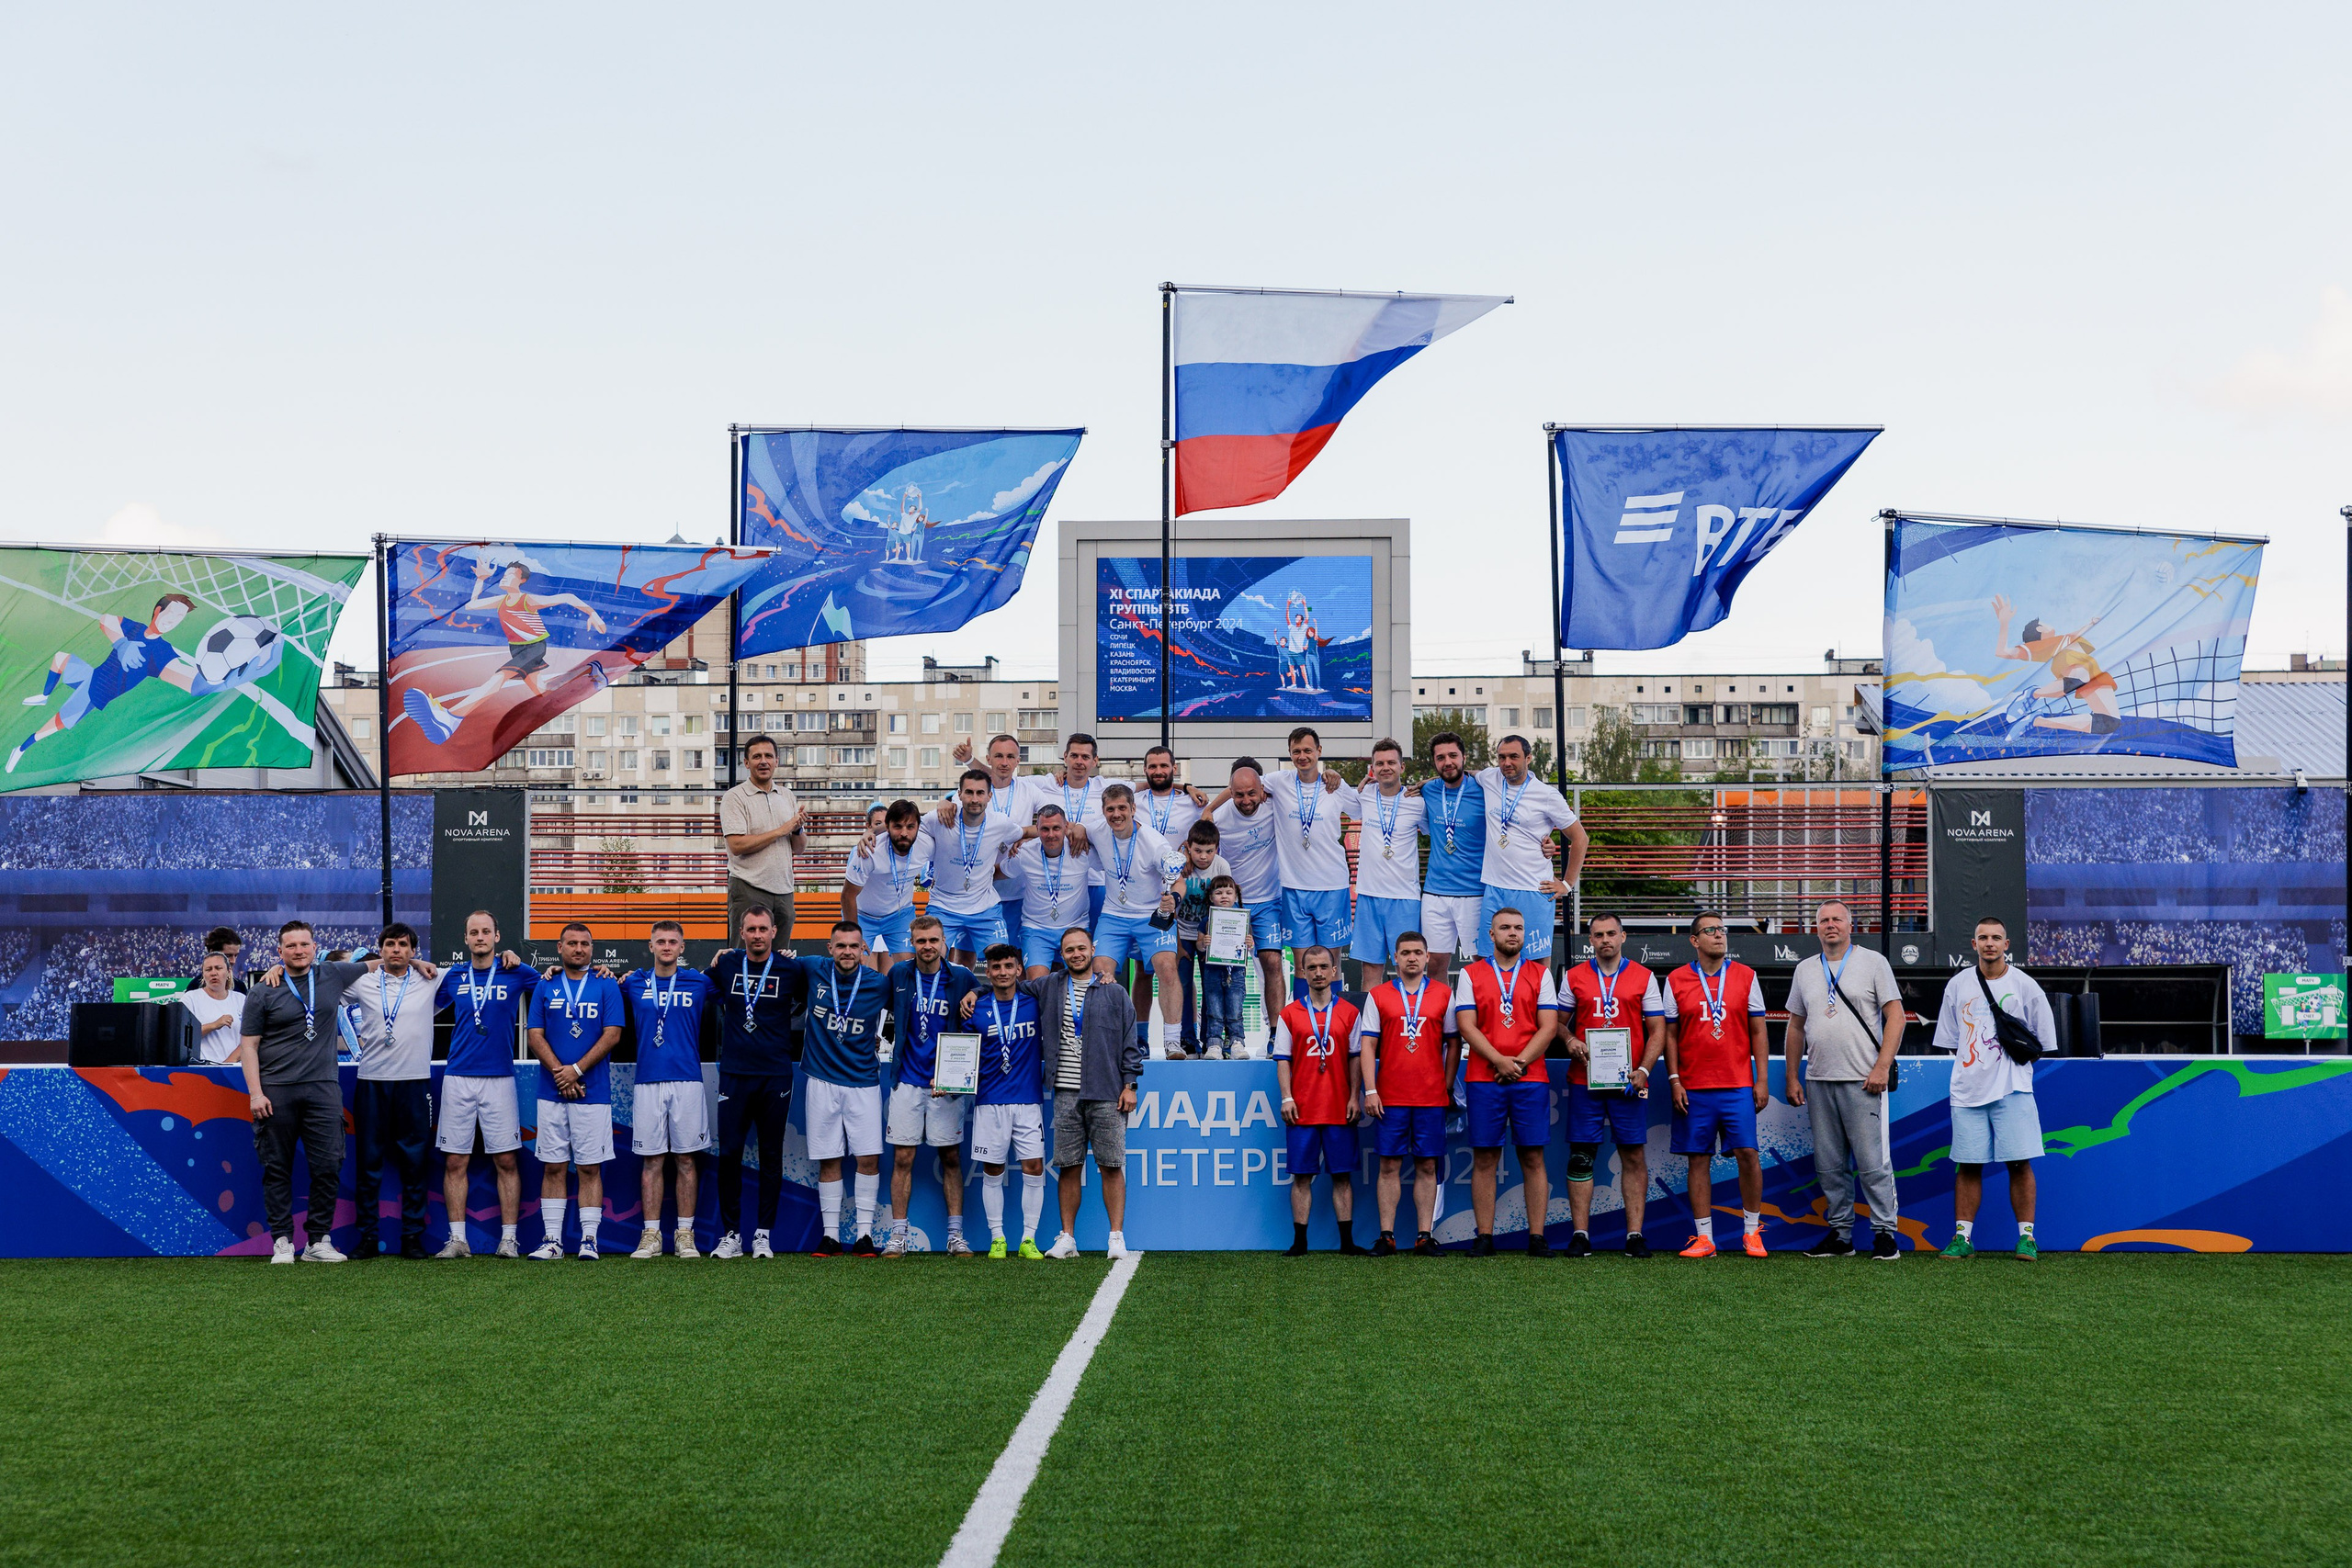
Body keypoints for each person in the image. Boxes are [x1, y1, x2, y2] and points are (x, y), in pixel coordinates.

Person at [972, 926, 1141, 1260]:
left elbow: (1130, 1042)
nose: (1076, 954)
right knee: (1068, 1166)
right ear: (1061, 955)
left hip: (1107, 1091)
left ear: (1093, 949)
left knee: (1111, 1165)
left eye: (1081, 948)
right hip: (1065, 1092)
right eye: (1069, 950)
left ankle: (1116, 1237)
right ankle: (1067, 1237)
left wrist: (1130, 1084)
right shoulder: (1049, 985)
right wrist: (974, 994)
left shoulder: (1115, 991)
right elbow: (1005, 985)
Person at [1785, 900, 1909, 1261]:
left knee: (1872, 1163)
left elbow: (1896, 1017)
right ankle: (1841, 1236)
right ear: (1816, 927)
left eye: (1837, 919)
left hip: (1863, 1079)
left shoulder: (1873, 963)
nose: (1830, 925)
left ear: (1850, 925)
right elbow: (1795, 1026)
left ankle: (1885, 1233)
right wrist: (1793, 1075)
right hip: (1819, 1079)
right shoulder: (1805, 969)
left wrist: (1882, 1067)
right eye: (1823, 920)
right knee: (1829, 1164)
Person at [237, 920, 367, 1263]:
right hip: (275, 1091)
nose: (298, 951)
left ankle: (317, 1242)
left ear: (314, 947)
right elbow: (248, 1046)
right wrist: (255, 1094)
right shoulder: (263, 990)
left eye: (304, 944)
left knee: (327, 1166)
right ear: (279, 951)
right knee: (276, 1168)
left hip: (322, 1090)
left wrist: (417, 963)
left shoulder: (333, 974)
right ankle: (281, 1240)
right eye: (290, 946)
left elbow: (381, 961)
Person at [1933, 916, 2055, 1261]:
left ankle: (2027, 1239)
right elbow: (1951, 1040)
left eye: (1996, 938)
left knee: (2019, 1164)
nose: (1989, 943)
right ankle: (1962, 1239)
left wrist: (2009, 1073)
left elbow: (2042, 1042)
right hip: (1967, 1092)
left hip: (2013, 1090)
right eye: (1983, 938)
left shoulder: (2025, 985)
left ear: (2007, 944)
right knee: (1968, 1165)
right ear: (1974, 945)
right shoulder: (1957, 986)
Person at [1663, 913, 1770, 1259]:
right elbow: (1670, 1035)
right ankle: (1704, 1238)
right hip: (1694, 1085)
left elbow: (1758, 1032)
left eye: (1722, 930)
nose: (1719, 935)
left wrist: (1762, 1079)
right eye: (1710, 931)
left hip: (1737, 1083)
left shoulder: (1746, 976)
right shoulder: (1676, 979)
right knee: (1698, 1159)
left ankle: (1752, 1231)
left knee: (1748, 1155)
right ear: (1694, 941)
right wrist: (1674, 1079)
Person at [1559, 912, 1667, 1258]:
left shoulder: (1644, 977)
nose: (1605, 940)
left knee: (1633, 1155)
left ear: (1623, 936)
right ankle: (1580, 1235)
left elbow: (1658, 1031)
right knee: (1580, 1157)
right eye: (1598, 935)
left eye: (1611, 933)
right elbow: (1556, 1024)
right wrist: (1571, 1039)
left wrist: (1646, 1070)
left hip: (1629, 1082)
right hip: (1584, 1079)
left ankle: (1634, 1235)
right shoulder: (1574, 976)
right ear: (1589, 940)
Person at [1454, 908, 1560, 1257]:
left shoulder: (1540, 974)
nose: (1512, 933)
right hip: (1485, 1077)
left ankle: (1537, 1237)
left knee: (1533, 1157)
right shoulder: (1470, 974)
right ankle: (1484, 1236)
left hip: (1531, 1077)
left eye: (1518, 927)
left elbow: (1549, 1026)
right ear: (1491, 934)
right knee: (1485, 1158)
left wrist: (1519, 1062)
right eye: (1505, 927)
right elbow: (1467, 1025)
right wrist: (1499, 1060)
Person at [433, 911, 538, 1259]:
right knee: (454, 1162)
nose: (480, 937)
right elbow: (419, 994)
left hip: (499, 1078)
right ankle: (457, 1239)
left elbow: (555, 985)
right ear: (465, 939)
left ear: (497, 936)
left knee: (507, 1160)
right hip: (458, 1077)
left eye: (486, 932)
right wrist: (418, 962)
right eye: (473, 932)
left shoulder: (516, 971)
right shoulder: (454, 977)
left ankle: (509, 1239)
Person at [707, 905, 804, 1260]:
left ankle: (762, 1234)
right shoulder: (727, 964)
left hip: (775, 1074)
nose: (758, 935)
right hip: (734, 1073)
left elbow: (811, 999)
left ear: (774, 932)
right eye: (751, 929)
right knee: (730, 1153)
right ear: (742, 932)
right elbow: (699, 984)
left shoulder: (791, 969)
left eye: (764, 929)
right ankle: (731, 1234)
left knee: (770, 1155)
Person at [526, 922, 625, 1260]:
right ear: (559, 947)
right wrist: (561, 1074)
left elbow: (612, 1035)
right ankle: (552, 1240)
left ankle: (588, 1240)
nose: (578, 949)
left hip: (593, 1092)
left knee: (589, 1167)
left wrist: (576, 1071)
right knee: (553, 1166)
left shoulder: (606, 984)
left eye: (585, 944)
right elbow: (534, 1035)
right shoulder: (546, 983)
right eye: (572, 943)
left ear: (592, 948)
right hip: (551, 1090)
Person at [882, 915, 980, 1256]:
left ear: (944, 942)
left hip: (947, 1083)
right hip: (907, 1082)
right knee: (903, 1158)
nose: (927, 947)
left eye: (933, 940)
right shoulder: (898, 974)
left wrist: (976, 992)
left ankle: (955, 1235)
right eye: (921, 941)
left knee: (951, 1157)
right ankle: (898, 1236)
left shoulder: (962, 976)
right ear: (912, 942)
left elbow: (986, 992)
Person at [796, 922, 894, 1255]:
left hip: (863, 1081)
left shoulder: (879, 984)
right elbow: (768, 961)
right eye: (841, 946)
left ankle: (864, 1235)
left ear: (864, 949)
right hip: (821, 1080)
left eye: (854, 946)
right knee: (829, 1159)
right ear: (830, 948)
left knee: (868, 1159)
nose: (848, 952)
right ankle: (831, 1236)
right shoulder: (812, 969)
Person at [1358, 932, 1458, 1257]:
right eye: (1405, 952)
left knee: (1428, 1165)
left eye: (1418, 952)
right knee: (1389, 1165)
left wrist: (1446, 1084)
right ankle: (1386, 1237)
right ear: (1395, 958)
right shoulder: (1379, 995)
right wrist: (1370, 1090)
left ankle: (1424, 1236)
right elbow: (1368, 1045)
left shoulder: (1444, 994)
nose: (1412, 957)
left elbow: (1454, 1042)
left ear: (1428, 957)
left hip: (1430, 1097)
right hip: (1391, 1096)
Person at [622, 919, 717, 1259]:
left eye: (672, 941)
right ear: (650, 946)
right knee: (651, 1161)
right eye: (660, 941)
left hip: (688, 1080)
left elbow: (736, 991)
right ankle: (651, 1235)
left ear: (682, 947)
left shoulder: (699, 982)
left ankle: (685, 1234)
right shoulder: (633, 982)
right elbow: (596, 986)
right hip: (647, 1080)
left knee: (687, 1160)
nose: (666, 947)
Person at [1068, 783, 1182, 1054]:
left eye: (1122, 808)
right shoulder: (1098, 828)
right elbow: (1076, 827)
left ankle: (1172, 1041)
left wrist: (1173, 900)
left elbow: (1179, 882)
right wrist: (1080, 828)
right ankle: (1110, 1041)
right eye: (1110, 809)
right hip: (1114, 914)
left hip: (1152, 915)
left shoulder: (1155, 842)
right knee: (1099, 971)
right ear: (1103, 811)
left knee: (1166, 968)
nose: (1116, 814)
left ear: (1133, 809)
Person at [347, 925, 435, 1260]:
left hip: (415, 1083)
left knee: (415, 1164)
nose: (396, 949)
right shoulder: (364, 982)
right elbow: (324, 983)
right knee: (368, 1165)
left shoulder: (430, 978)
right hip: (372, 1082)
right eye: (389, 944)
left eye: (403, 945)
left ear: (413, 950)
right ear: (380, 949)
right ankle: (367, 1237)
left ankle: (412, 1237)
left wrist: (509, 955)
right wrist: (278, 966)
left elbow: (476, 967)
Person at [1272, 945, 1365, 1256]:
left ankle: (1347, 1243)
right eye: (1311, 968)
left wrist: (1355, 1096)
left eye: (1324, 966)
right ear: (1303, 972)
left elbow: (1355, 1059)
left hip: (1340, 1107)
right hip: (1303, 1108)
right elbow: (1283, 1059)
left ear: (1335, 971)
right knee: (1301, 1176)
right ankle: (1300, 1243)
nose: (1318, 973)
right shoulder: (1289, 1014)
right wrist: (1287, 1097)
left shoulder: (1351, 1013)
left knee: (1342, 1175)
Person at [1474, 734, 1587, 962]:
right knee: (1486, 959)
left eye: (1514, 757)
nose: (1507, 763)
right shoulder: (1490, 778)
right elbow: (1464, 775)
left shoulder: (1546, 795)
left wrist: (1567, 884)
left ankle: (1541, 999)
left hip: (1533, 889)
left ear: (1528, 758)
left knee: (1536, 962)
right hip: (1495, 888)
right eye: (1502, 757)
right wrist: (1427, 783)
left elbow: (1580, 838)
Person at [970, 942, 1049, 1259]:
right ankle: (997, 1238)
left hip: (1029, 1100)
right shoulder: (974, 1007)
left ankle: (1029, 1239)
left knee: (1034, 1167)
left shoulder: (1035, 1003)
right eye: (996, 967)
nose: (1002, 972)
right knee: (993, 1169)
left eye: (1008, 966)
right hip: (989, 1100)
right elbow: (962, 1049)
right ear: (987, 972)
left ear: (1019, 969)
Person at [1261, 727, 1358, 983]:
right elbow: (1243, 783)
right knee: (1303, 967)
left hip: (1332, 886)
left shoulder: (1336, 785)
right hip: (1294, 887)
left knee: (1330, 964)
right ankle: (1304, 1023)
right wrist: (1208, 808)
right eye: (1296, 751)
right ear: (1290, 754)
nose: (1302, 756)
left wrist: (1338, 774)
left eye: (1307, 750)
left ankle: (1333, 1023)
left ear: (1319, 751)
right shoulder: (1279, 781)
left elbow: (1362, 809)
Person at [1207, 759, 1291, 1043]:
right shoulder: (1217, 818)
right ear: (1230, 791)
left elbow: (1305, 779)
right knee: (1226, 974)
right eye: (1239, 794)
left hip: (1268, 901)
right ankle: (1226, 1038)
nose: (1246, 800)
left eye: (1252, 793)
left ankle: (1276, 1034)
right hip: (1233, 906)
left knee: (1272, 962)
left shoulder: (1273, 803)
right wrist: (1208, 808)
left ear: (1262, 789)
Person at [917, 767, 1031, 964]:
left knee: (1003, 962)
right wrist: (873, 832)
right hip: (943, 905)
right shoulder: (940, 819)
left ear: (989, 796)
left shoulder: (1000, 823)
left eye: (980, 793)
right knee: (930, 962)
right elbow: (903, 825)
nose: (974, 799)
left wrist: (1069, 830)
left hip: (984, 908)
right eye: (969, 792)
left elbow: (1029, 831)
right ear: (959, 795)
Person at [948, 730, 1052, 936]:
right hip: (975, 891)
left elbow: (1055, 822)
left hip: (1016, 891)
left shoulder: (1029, 790)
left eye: (1010, 757)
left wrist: (1025, 835)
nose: (1004, 762)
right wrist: (945, 803)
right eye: (998, 756)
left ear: (1017, 761)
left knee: (1013, 958)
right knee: (965, 956)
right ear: (989, 759)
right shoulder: (974, 791)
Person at [1351, 738, 1427, 990]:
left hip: (1404, 897)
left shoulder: (1418, 801)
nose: (1386, 767)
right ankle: (1370, 1028)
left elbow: (1436, 832)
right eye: (1379, 763)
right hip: (1369, 896)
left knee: (1408, 968)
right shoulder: (1363, 795)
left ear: (1402, 767)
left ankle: (1407, 1027)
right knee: (1370, 970)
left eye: (1391, 762)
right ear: (1372, 769)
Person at [719, 733, 808, 942]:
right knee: (743, 957)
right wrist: (782, 829)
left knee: (780, 961)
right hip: (748, 886)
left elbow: (800, 848)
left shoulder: (787, 796)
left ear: (777, 761)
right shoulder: (734, 797)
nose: (763, 761)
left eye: (768, 756)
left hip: (784, 890)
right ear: (746, 762)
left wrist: (796, 829)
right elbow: (736, 845)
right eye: (757, 756)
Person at [1415, 732, 1487, 978]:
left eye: (1453, 755)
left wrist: (1545, 842)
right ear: (1434, 763)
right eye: (1441, 757)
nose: (1448, 762)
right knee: (1435, 964)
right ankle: (1441, 1017)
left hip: (1474, 892)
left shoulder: (1484, 789)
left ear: (1464, 757)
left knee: (1481, 964)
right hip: (1435, 893)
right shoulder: (1428, 790)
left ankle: (1479, 1017)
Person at [1001, 805, 1092, 978]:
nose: (1051, 834)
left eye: (1056, 828)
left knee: (1081, 982)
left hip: (1075, 926)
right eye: (1045, 829)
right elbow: (1002, 872)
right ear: (1037, 829)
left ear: (1066, 827)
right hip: (1037, 929)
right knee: (1037, 984)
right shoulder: (1025, 851)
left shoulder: (1082, 849)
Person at [842, 798, 931, 970]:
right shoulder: (868, 851)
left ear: (918, 827)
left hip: (900, 915)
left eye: (910, 827)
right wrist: (855, 935)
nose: (904, 833)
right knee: (857, 966)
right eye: (897, 827)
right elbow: (847, 895)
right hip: (863, 916)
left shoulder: (927, 845)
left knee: (908, 968)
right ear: (888, 827)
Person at [1194, 875, 1250, 1058]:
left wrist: (1250, 942)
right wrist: (1204, 943)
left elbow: (1249, 945)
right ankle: (1214, 1044)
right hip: (1212, 972)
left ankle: (1237, 1042)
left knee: (1235, 1009)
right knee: (1214, 1010)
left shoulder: (1243, 918)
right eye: (1218, 893)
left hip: (1236, 973)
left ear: (1235, 896)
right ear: (1211, 897)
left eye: (1228, 892)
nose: (1224, 896)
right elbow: (1199, 945)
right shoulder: (1207, 920)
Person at [177, 952, 244, 1066]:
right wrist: (214, 1025)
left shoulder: (241, 1000)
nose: (214, 973)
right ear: (203, 974)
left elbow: (252, 1038)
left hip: (235, 1069)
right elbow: (182, 1036)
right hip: (202, 1070)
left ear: (228, 972)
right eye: (208, 969)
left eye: (218, 968)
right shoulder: (191, 998)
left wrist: (229, 1063)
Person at [187, 926, 244, 990]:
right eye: (228, 956)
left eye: (236, 955)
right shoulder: (195, 987)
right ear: (212, 953)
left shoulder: (240, 987)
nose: (233, 961)